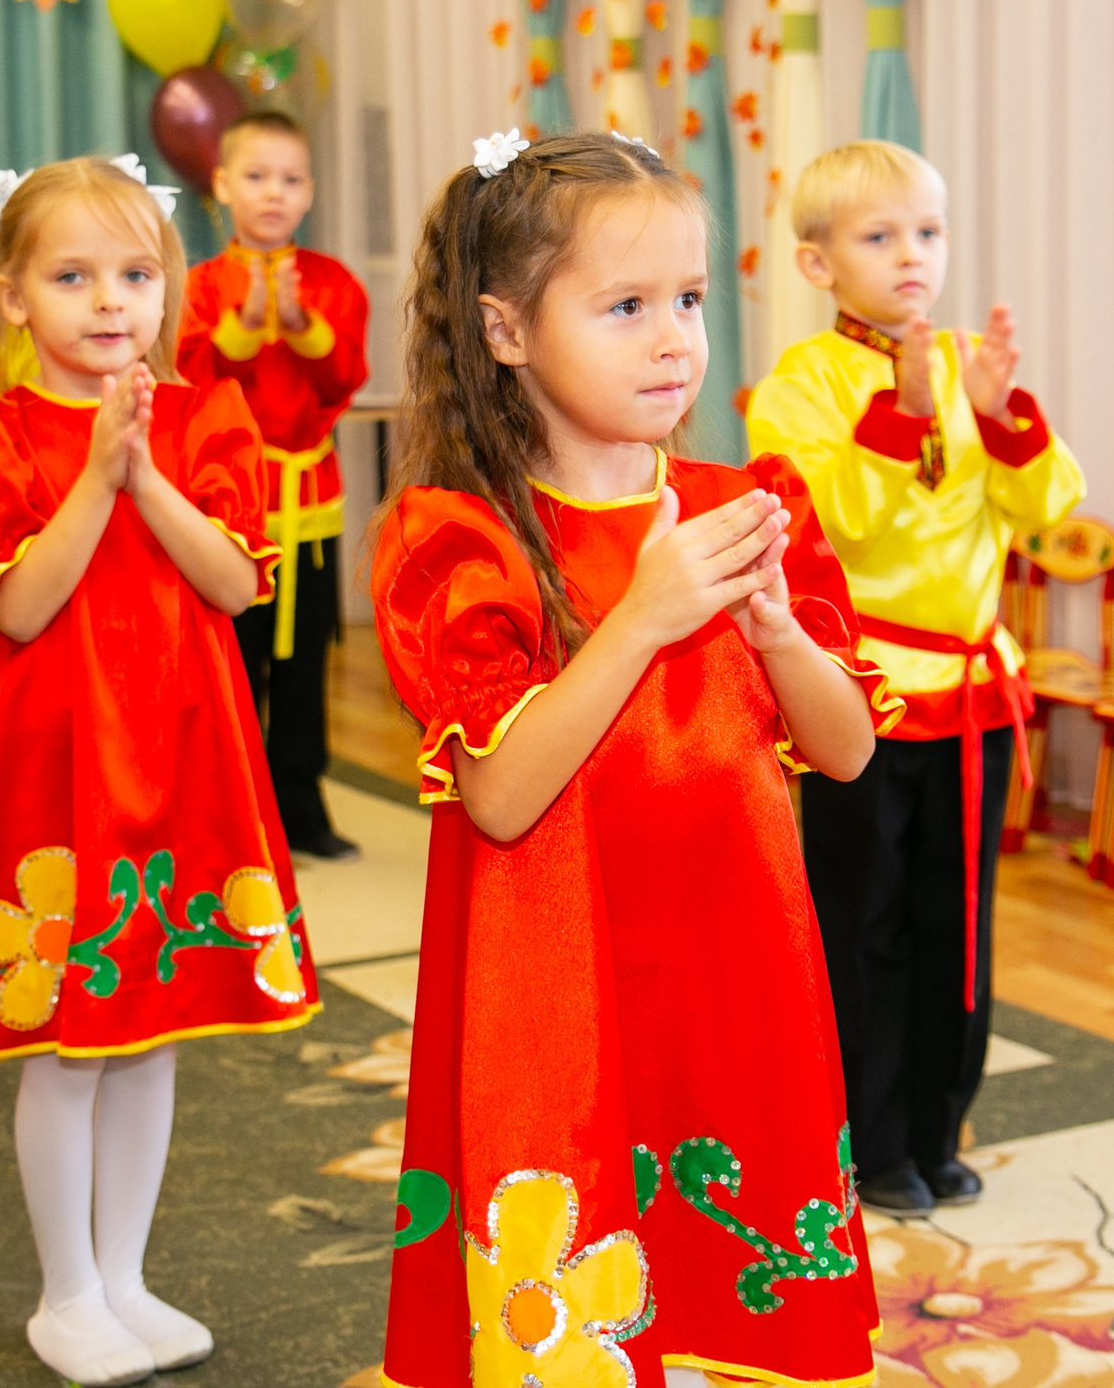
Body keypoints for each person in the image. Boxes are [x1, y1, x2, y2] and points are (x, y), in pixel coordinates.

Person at [373, 131, 892, 1387]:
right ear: (505, 329)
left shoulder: (745, 501)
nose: (674, 340)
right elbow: (503, 795)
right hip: (557, 981)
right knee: (578, 1277)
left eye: (690, 300)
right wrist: (645, 616)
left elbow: (847, 748)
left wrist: (776, 632)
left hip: (737, 965)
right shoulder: (460, 538)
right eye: (625, 307)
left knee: (724, 1254)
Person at [0, 155, 318, 1388]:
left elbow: (235, 581)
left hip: (183, 750)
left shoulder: (207, 416)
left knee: (156, 1028)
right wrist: (98, 477)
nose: (110, 300)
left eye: (136, 273)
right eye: (73, 275)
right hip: (57, 764)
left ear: (170, 286)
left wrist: (142, 468)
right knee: (71, 1041)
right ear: (10, 294)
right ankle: (67, 1292)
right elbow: (22, 608)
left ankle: (125, 1273)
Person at [744, 139, 1085, 1219]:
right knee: (862, 920)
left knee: (958, 920)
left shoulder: (967, 364)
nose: (911, 256)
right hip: (860, 696)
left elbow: (1048, 508)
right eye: (879, 235)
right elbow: (830, 525)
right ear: (817, 263)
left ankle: (938, 1126)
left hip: (974, 695)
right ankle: (868, 1137)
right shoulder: (801, 385)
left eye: (927, 232)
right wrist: (898, 411)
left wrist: (1001, 414)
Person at [179, 112, 369, 861]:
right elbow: (188, 382)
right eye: (256, 177)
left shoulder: (332, 283)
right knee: (232, 662)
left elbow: (344, 376)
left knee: (303, 665)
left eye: (289, 180)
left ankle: (301, 805)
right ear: (223, 185)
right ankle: (229, 814)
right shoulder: (198, 287)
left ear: (309, 192)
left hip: (308, 503)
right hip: (226, 507)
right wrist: (245, 324)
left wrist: (296, 321)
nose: (273, 193)